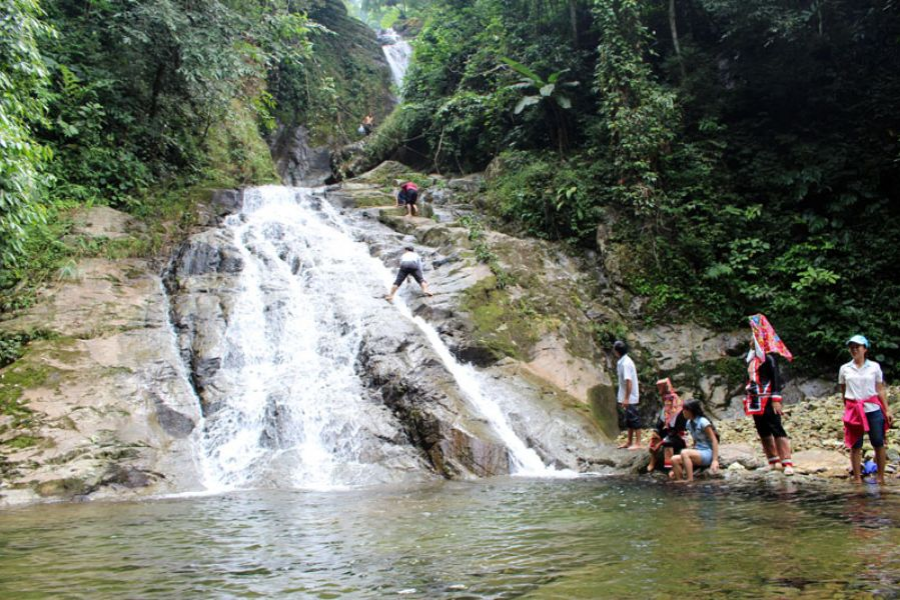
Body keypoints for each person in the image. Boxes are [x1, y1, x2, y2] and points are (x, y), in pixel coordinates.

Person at [744, 313, 796, 476]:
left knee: (776, 427)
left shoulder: (769, 358)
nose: (750, 341)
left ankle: (787, 461)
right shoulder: (752, 359)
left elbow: (776, 379)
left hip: (767, 399)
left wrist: (776, 399)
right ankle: (772, 460)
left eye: (753, 338)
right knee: (762, 429)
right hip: (755, 399)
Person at [840, 334, 893, 485]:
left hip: (873, 408)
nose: (854, 349)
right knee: (855, 444)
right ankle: (857, 479)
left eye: (857, 347)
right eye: (852, 347)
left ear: (865, 349)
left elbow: (880, 389)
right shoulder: (844, 369)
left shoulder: (874, 367)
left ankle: (881, 477)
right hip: (854, 409)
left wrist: (887, 409)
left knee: (878, 442)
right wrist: (848, 408)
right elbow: (843, 390)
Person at [670, 399, 720, 483]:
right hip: (698, 452)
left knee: (684, 452)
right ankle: (680, 482)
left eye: (685, 410)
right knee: (674, 459)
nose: (683, 412)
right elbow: (695, 441)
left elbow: (714, 440)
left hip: (707, 453)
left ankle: (690, 480)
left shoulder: (703, 422)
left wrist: (715, 460)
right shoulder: (689, 423)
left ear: (691, 411)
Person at [647, 378, 687, 475]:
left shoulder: (680, 412)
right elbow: (659, 424)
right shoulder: (665, 410)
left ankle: (671, 467)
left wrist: (662, 441)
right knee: (655, 436)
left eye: (669, 401)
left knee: (667, 442)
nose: (667, 402)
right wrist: (656, 432)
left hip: (678, 434)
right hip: (668, 431)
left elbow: (678, 429)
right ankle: (653, 459)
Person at [613, 340, 642, 450]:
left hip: (630, 396)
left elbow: (628, 381)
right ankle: (629, 441)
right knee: (629, 419)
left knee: (634, 419)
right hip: (626, 395)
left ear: (617, 351)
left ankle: (638, 443)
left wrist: (626, 398)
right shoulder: (622, 361)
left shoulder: (626, 363)